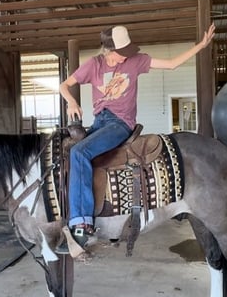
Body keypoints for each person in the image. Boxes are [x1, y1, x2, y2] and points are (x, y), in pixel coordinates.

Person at [57, 22, 216, 254]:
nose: (125, 57)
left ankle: (82, 227)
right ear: (108, 50)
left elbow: (171, 65)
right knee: (70, 155)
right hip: (100, 122)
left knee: (79, 152)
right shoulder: (94, 65)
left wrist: (201, 45)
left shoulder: (136, 61)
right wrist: (71, 101)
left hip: (120, 123)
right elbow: (64, 85)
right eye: (120, 53)